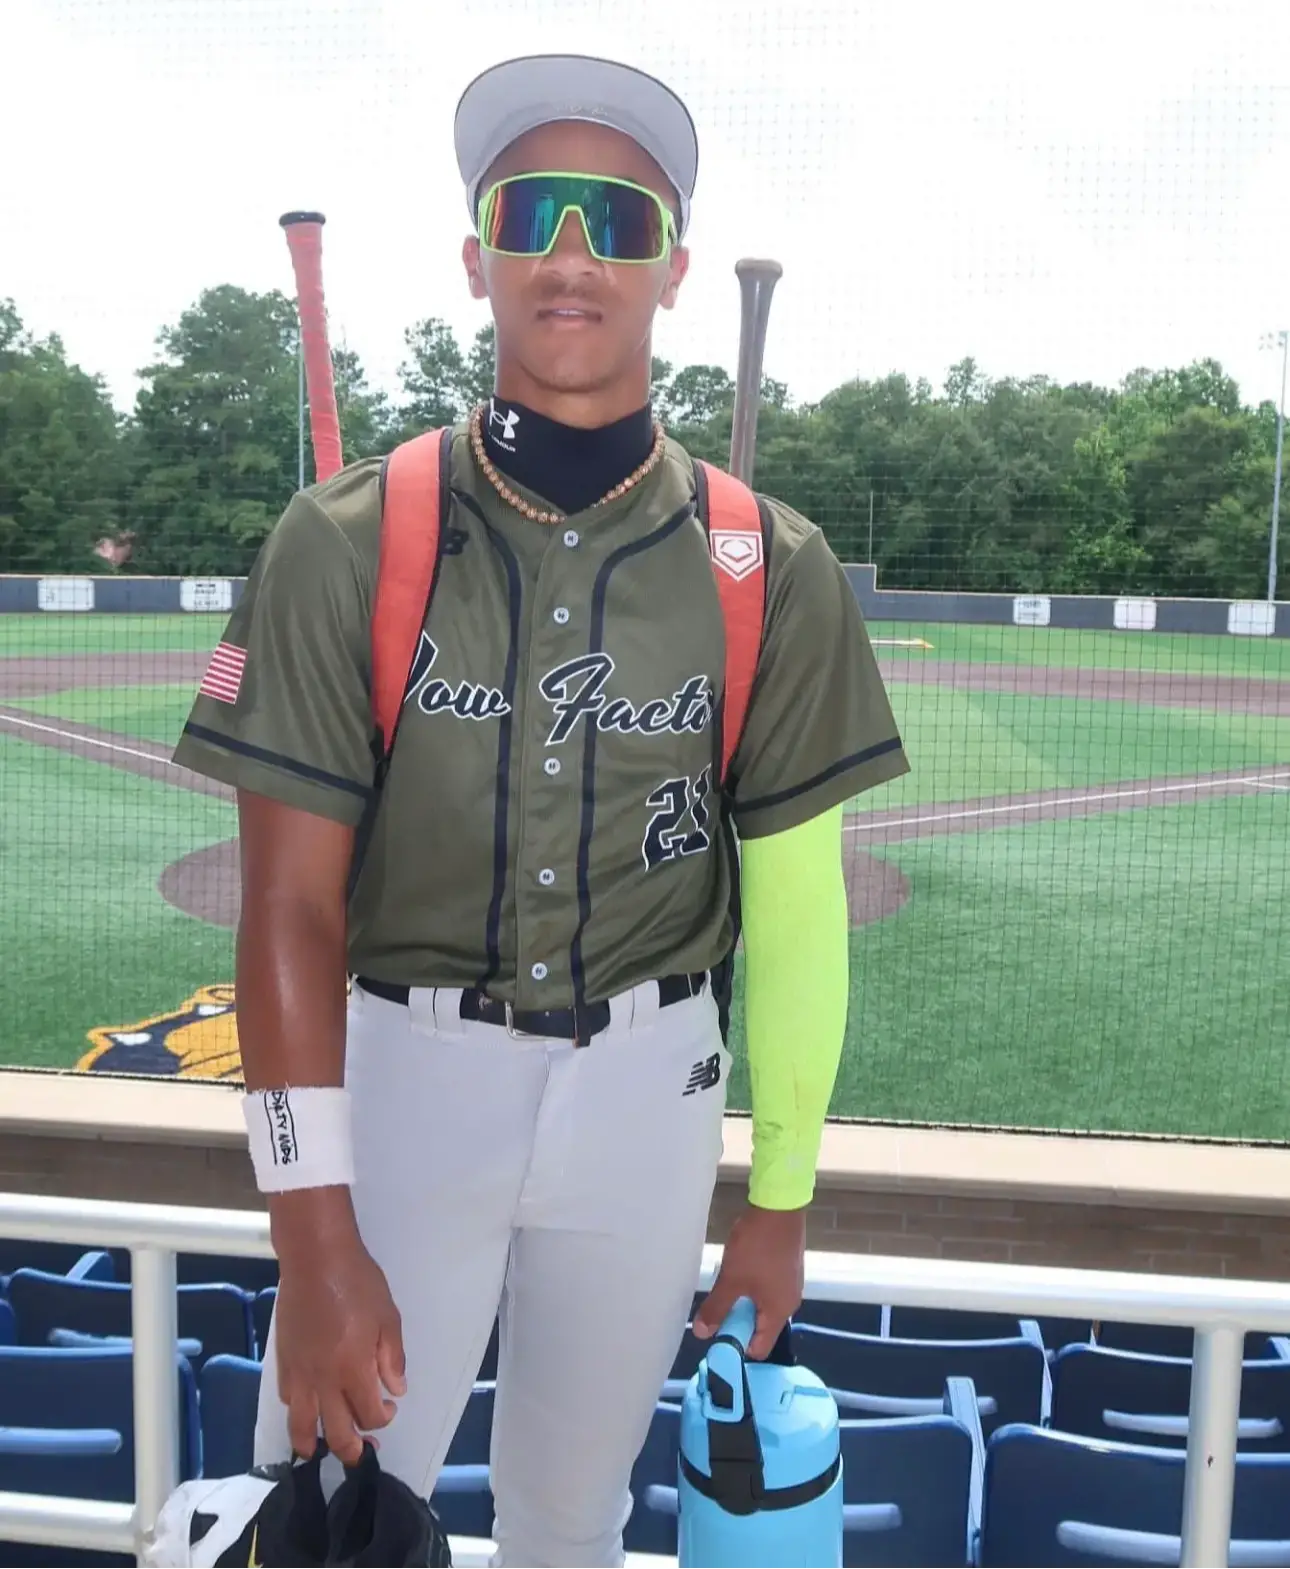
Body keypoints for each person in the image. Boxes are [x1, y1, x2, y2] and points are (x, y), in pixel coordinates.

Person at [173, 52, 909, 1568]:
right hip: (405, 1080)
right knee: (331, 1514)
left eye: (619, 219)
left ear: (673, 268)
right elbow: (288, 910)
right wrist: (312, 1235)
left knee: (573, 1522)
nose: (574, 252)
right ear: (478, 256)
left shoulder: (772, 566)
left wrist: (777, 1198)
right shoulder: (344, 537)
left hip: (652, 1094)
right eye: (534, 211)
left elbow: (794, 919)